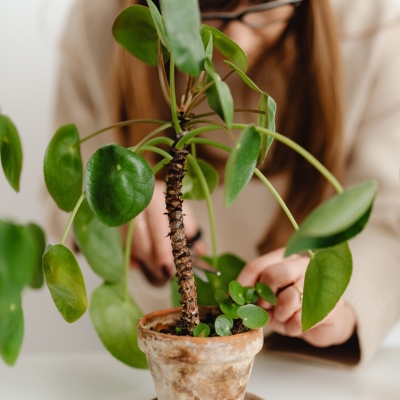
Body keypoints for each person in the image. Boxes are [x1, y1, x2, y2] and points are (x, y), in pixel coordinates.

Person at [53, 0, 400, 367]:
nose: (236, 40)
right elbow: (67, 196)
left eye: (265, 5)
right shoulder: (101, 19)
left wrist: (340, 301)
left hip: (304, 365)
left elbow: (390, 219)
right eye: (209, 7)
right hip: (167, 355)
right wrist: (117, 209)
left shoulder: (376, 22)